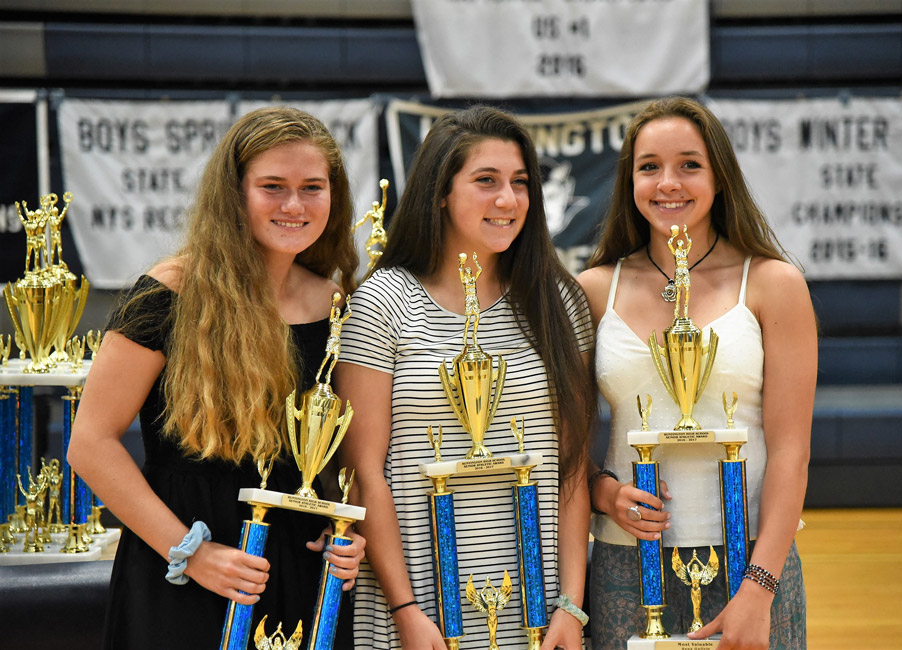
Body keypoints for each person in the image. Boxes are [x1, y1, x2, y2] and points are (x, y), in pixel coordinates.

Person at [67, 106, 366, 649]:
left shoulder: (339, 305)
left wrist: (342, 532)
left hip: (299, 577)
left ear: (334, 195)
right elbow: (91, 444)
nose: (294, 205)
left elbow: (339, 458)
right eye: (272, 186)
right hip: (182, 571)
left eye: (312, 187)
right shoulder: (166, 295)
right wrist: (191, 553)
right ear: (234, 194)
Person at [335, 105, 595, 650]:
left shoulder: (558, 300)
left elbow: (572, 469)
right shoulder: (384, 303)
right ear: (439, 194)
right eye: (486, 181)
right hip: (418, 611)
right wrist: (405, 609)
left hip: (539, 611)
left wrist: (571, 604)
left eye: (521, 182)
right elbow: (364, 473)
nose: (508, 199)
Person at [578, 97, 815, 650]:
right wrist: (605, 494)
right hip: (626, 561)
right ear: (629, 181)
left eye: (689, 164)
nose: (669, 183)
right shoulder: (594, 289)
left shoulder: (775, 284)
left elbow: (791, 453)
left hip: (754, 562)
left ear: (719, 177)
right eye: (649, 167)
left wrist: (759, 587)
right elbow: (563, 440)